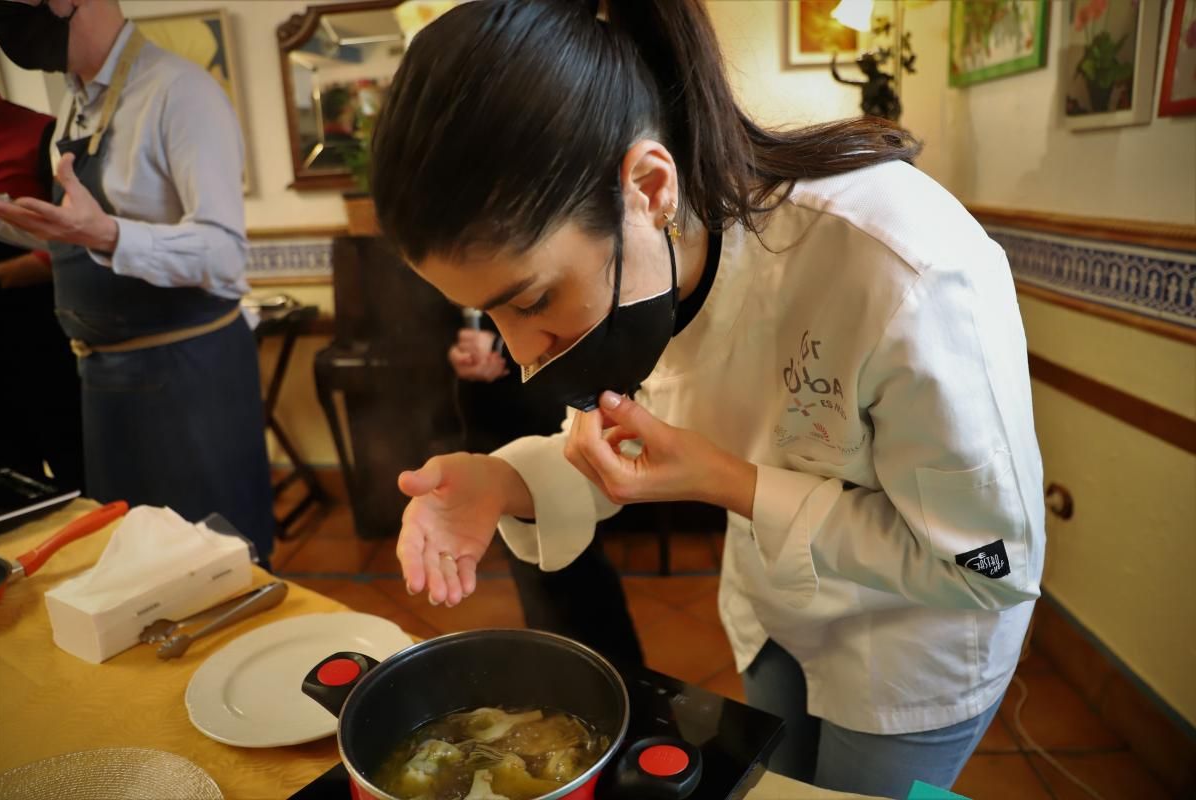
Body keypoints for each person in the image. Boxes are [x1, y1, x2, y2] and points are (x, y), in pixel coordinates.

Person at [370, 1, 1045, 797]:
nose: (519, 355)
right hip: (773, 622)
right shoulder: (650, 264)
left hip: (907, 653)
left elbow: (987, 566)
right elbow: (618, 450)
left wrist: (727, 480)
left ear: (648, 186)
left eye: (531, 299)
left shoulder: (906, 268)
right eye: (492, 314)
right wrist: (501, 482)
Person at [0, 0, 274, 565]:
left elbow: (224, 253)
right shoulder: (72, 109)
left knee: (216, 566)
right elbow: (80, 239)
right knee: (138, 569)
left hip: (187, 382)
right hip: (101, 384)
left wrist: (108, 234)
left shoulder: (180, 93)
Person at [449, 311, 644, 670]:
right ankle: (558, 665)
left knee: (576, 571)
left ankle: (613, 676)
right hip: (490, 423)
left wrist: (500, 350)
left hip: (545, 412)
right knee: (533, 570)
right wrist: (455, 351)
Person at [0, 91, 85, 493]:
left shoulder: (40, 134)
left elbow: (75, 246)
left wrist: (1, 277)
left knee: (78, 469)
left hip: (39, 338)